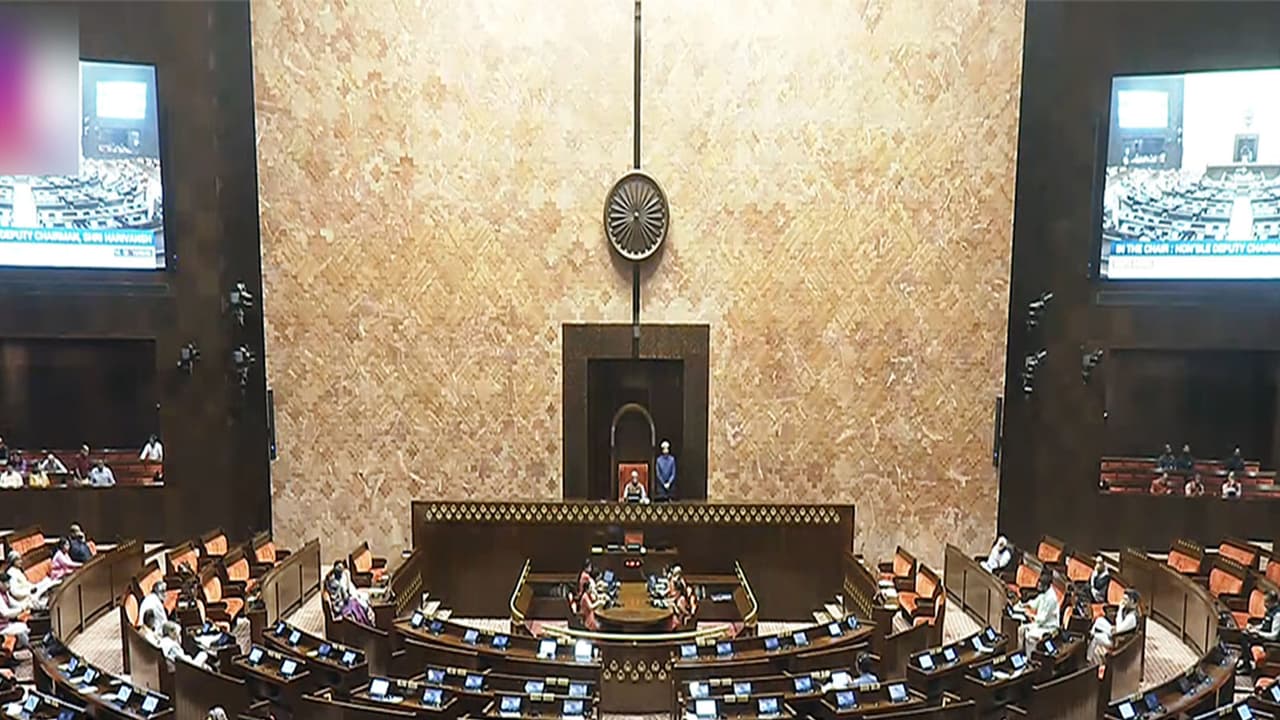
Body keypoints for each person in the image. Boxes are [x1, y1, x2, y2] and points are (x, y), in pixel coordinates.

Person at [1089, 590, 1140, 663]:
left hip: (1118, 641)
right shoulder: (1128, 610)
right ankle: (1091, 633)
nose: (1123, 601)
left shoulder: (1132, 617)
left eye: (1125, 599)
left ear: (1132, 601)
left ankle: (1088, 659)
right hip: (1116, 634)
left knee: (1095, 638)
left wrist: (1120, 609)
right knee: (1099, 620)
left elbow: (1118, 629)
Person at [1015, 574, 1060, 654]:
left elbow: (1042, 619)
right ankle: (1021, 653)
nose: (1038, 586)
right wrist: (1024, 605)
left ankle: (1031, 657)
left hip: (1049, 628)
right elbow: (1035, 603)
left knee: (1029, 635)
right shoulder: (1044, 593)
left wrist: (1031, 616)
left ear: (1046, 586)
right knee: (1021, 629)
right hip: (1041, 624)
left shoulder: (1051, 599)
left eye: (1040, 584)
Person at [1240, 591, 1280, 673]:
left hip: (1270, 643)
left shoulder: (1278, 615)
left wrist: (1258, 633)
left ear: (1274, 602)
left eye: (1267, 602)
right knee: (1244, 634)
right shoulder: (1270, 611)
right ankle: (1246, 662)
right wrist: (1254, 628)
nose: (1264, 604)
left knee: (1245, 638)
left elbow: (1274, 636)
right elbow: (1264, 625)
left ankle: (1247, 665)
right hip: (1264, 636)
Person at [325, 561, 373, 626]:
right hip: (341, 606)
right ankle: (364, 623)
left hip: (342, 603)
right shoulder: (337, 583)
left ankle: (364, 622)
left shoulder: (333, 580)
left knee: (357, 604)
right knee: (356, 605)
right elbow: (344, 597)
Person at [0, 575, 31, 651]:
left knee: (23, 627)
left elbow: (14, 604)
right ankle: (23, 649)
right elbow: (6, 613)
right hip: (1, 627)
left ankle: (21, 648)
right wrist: (21, 609)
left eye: (8, 582)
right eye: (5, 583)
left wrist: (26, 604)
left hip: (5, 624)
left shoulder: (5, 593)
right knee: (23, 628)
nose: (8, 585)